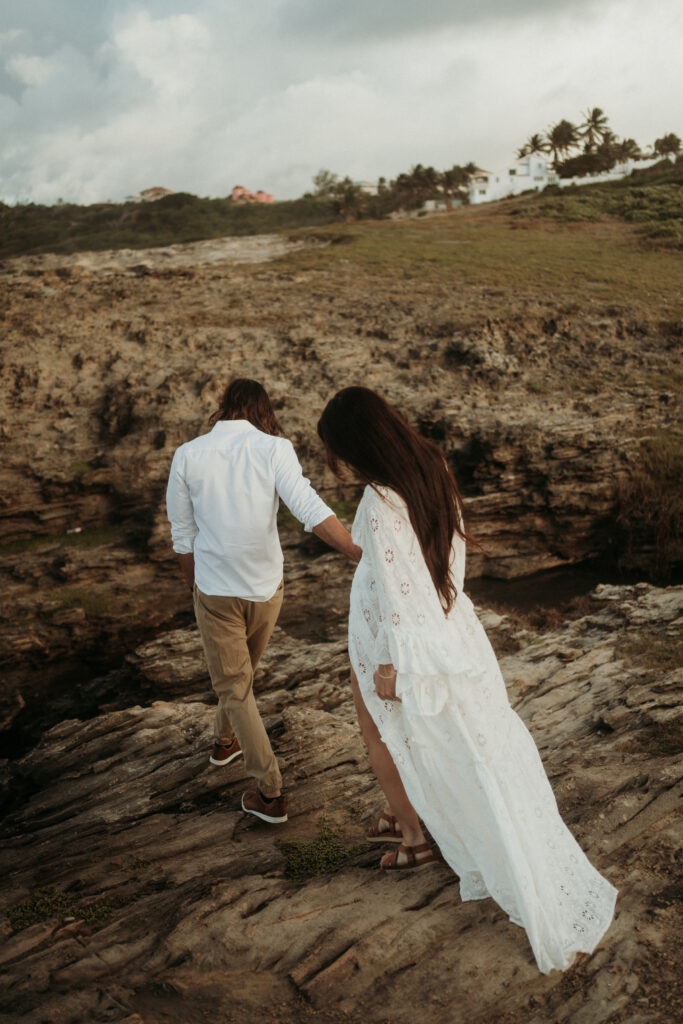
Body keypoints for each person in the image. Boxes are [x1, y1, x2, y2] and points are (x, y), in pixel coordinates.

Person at [317, 386, 617, 974]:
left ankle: (412, 835)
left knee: (384, 733)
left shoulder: (379, 501)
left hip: (393, 644)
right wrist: (444, 635)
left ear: (357, 445)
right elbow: (448, 560)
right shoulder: (431, 464)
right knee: (466, 747)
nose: (339, 465)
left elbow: (402, 596)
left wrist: (399, 666)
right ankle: (418, 818)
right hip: (449, 629)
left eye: (338, 453)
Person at [167, 378, 361, 825]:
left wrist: (195, 586)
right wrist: (354, 550)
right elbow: (308, 508)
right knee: (239, 680)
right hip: (266, 588)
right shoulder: (276, 448)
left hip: (216, 589)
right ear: (262, 409)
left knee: (235, 685)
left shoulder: (188, 454)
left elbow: (182, 534)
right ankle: (224, 743)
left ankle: (271, 792)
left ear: (224, 407)